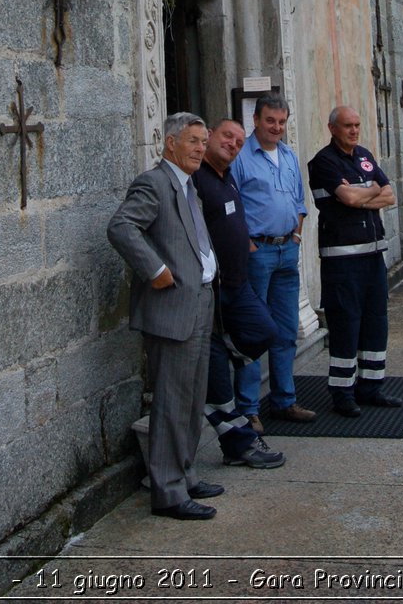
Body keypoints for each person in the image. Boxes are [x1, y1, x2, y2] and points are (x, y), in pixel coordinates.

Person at [107, 113, 223, 520]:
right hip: (172, 305)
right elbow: (121, 227)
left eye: (202, 141)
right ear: (170, 143)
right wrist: (156, 271)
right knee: (172, 401)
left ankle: (186, 474)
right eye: (192, 141)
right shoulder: (154, 182)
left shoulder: (189, 186)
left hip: (200, 301)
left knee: (192, 399)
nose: (200, 148)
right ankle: (169, 492)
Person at [194, 119, 286, 469]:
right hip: (214, 293)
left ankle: (228, 349)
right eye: (226, 136)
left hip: (238, 283)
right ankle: (240, 445)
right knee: (217, 387)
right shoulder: (196, 179)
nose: (232, 144)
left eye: (238, 140)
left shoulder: (226, 176)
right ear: (209, 139)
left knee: (266, 331)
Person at [307, 106, 402, 417]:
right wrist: (367, 190)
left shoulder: (364, 155)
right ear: (333, 128)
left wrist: (363, 192)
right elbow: (346, 198)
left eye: (357, 125)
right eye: (348, 125)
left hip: (373, 256)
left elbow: (389, 195)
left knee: (376, 323)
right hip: (342, 260)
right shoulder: (323, 161)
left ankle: (371, 387)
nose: (354, 131)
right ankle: (343, 393)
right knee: (346, 325)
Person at [230, 93, 316, 429]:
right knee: (253, 332)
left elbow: (299, 201)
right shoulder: (241, 157)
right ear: (256, 120)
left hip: (286, 251)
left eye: (281, 122)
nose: (276, 127)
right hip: (258, 253)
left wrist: (296, 236)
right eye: (270, 121)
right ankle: (249, 408)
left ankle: (285, 401)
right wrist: (248, 244)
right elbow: (231, 204)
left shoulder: (289, 156)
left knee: (285, 329)